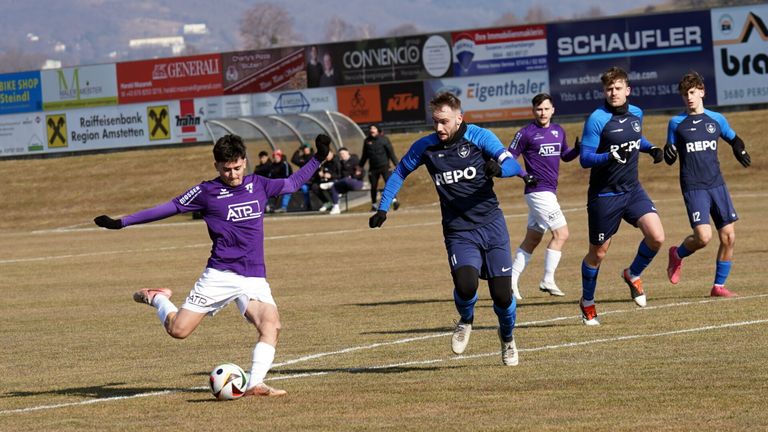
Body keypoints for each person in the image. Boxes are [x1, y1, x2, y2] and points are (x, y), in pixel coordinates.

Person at [93, 134, 330, 397]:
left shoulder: (259, 184)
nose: (233, 174)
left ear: (244, 162)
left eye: (237, 167)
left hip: (253, 276)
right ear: (216, 165)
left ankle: (254, 383)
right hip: (220, 274)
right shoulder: (206, 192)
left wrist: (318, 157)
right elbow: (167, 208)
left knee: (271, 325)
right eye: (226, 169)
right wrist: (122, 222)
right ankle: (157, 298)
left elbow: (293, 182)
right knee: (178, 330)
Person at [369, 92, 524, 366]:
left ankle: (508, 338)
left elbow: (511, 163)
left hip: (491, 225)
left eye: (444, 122)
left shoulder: (479, 136)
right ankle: (466, 320)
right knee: (466, 286)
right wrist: (383, 208)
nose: (439, 128)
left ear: (459, 118)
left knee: (502, 296)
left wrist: (498, 170)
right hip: (458, 230)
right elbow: (400, 172)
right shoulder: (426, 147)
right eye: (435, 122)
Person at [578, 66, 665, 325]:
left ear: (628, 90)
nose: (613, 93)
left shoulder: (637, 113)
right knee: (598, 253)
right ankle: (587, 302)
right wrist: (609, 156)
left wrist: (652, 148)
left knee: (657, 237)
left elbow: (636, 138)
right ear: (604, 91)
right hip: (605, 195)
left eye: (617, 88)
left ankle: (632, 273)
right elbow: (585, 158)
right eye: (608, 89)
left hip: (632, 189)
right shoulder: (597, 119)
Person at [663, 72, 752, 297]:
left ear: (702, 91)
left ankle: (718, 286)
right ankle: (677, 254)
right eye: (685, 94)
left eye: (692, 93)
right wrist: (669, 152)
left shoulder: (717, 119)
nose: (689, 98)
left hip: (717, 184)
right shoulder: (676, 123)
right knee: (703, 237)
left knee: (729, 236)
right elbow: (670, 155)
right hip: (694, 186)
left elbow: (734, 138)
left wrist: (739, 148)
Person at [507, 93, 580, 301]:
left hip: (549, 192)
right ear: (533, 111)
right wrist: (523, 175)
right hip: (538, 192)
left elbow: (564, 155)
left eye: (546, 109)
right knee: (562, 234)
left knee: (533, 238)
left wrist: (577, 150)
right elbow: (508, 157)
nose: (543, 113)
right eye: (539, 109)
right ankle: (547, 279)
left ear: (553, 110)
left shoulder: (558, 131)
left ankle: (510, 281)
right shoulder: (526, 133)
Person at [359, 124, 400, 211]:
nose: (371, 130)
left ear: (378, 130)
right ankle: (374, 205)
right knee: (373, 186)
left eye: (373, 128)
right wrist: (359, 167)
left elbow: (391, 153)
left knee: (389, 184)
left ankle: (394, 200)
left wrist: (397, 164)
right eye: (370, 128)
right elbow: (364, 155)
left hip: (384, 166)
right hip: (373, 168)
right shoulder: (367, 141)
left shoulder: (384, 139)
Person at [321, 147, 365, 215]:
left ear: (348, 152)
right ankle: (336, 207)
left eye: (343, 153)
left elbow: (362, 173)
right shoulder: (340, 163)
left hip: (357, 183)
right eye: (340, 154)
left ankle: (333, 183)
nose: (342, 155)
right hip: (344, 184)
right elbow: (339, 175)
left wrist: (353, 176)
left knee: (346, 180)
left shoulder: (355, 160)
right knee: (334, 187)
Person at [310, 147, 340, 212]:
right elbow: (319, 171)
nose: (326, 156)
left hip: (335, 180)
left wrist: (331, 176)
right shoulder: (324, 163)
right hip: (325, 181)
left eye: (328, 154)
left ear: (332, 153)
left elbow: (340, 174)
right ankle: (327, 203)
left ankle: (336, 205)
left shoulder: (337, 161)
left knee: (332, 186)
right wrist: (321, 174)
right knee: (314, 186)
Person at [291, 142, 315, 210]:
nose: (305, 150)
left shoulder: (313, 157)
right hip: (304, 180)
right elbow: (293, 160)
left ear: (310, 149)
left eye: (307, 148)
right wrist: (298, 150)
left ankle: (308, 205)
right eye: (304, 149)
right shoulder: (303, 158)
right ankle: (283, 207)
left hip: (312, 179)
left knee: (305, 188)